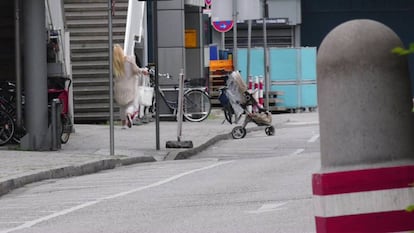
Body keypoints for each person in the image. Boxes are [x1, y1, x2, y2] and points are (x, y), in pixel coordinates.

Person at [113, 44, 148, 128]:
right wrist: (143, 70)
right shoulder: (129, 59)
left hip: (119, 88)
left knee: (122, 106)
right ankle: (129, 114)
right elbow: (136, 70)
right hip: (130, 86)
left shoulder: (114, 64)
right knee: (131, 104)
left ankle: (123, 124)